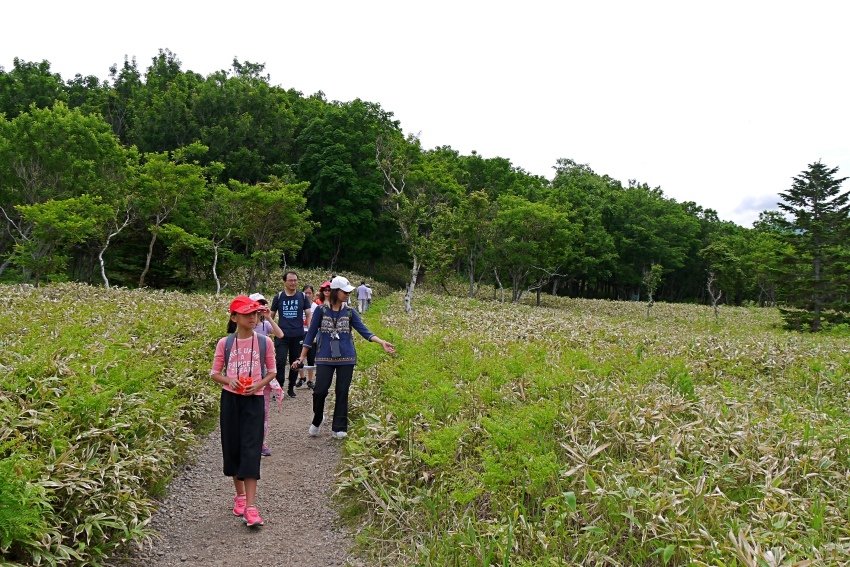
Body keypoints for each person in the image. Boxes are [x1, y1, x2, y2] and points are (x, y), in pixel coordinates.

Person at [293, 275, 395, 439]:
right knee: (319, 391)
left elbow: (364, 331)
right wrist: (301, 358)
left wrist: (381, 341)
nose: (347, 294)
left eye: (348, 292)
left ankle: (339, 427)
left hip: (346, 358)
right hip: (324, 357)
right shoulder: (321, 311)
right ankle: (317, 418)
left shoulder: (350, 312)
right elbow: (310, 335)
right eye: (344, 291)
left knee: (342, 391)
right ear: (334, 292)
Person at [210, 295, 277, 528]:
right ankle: (239, 496)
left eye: (255, 313)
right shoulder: (224, 343)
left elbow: (272, 371)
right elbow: (215, 373)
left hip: (254, 401)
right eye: (248, 313)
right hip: (230, 399)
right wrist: (230, 381)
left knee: (251, 449)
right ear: (234, 317)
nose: (253, 317)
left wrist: (258, 385)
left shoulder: (264, 342)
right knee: (233, 448)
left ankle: (250, 506)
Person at [248, 293, 284, 457]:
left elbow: (280, 334)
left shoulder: (264, 325)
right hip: (247, 373)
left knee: (263, 411)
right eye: (256, 305)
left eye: (262, 305)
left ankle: (261, 443)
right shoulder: (244, 325)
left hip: (264, 374)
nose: (259, 308)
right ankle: (248, 441)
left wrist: (269, 318)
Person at [270, 271, 312, 398]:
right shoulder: (278, 297)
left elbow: (309, 313)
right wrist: (271, 330)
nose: (293, 283)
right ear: (285, 282)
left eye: (295, 280)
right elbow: (271, 315)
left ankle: (291, 387)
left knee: (296, 362)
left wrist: (309, 329)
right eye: (290, 280)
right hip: (281, 335)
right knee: (280, 361)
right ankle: (279, 387)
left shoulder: (302, 296)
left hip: (298, 335)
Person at [296, 285, 317, 389]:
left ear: (313, 294)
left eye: (310, 293)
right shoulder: (299, 305)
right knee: (299, 356)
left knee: (311, 358)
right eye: (306, 293)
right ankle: (302, 377)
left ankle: (310, 380)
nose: (308, 295)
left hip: (311, 333)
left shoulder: (316, 307)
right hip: (300, 332)